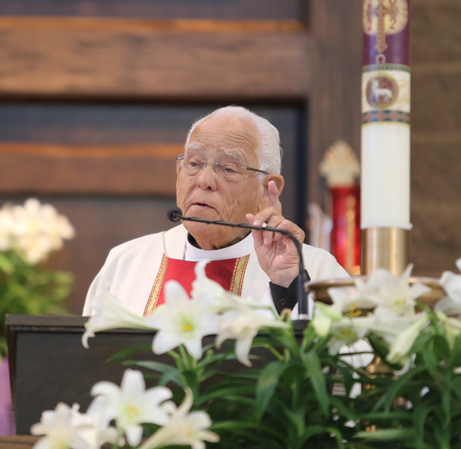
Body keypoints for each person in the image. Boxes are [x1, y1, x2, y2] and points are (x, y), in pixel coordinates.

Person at [82, 106, 349, 316]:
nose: (204, 180)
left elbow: (341, 368)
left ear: (268, 189)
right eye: (194, 163)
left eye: (228, 168)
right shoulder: (127, 263)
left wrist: (288, 286)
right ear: (178, 172)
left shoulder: (312, 269)